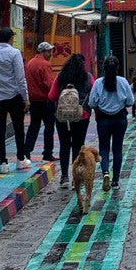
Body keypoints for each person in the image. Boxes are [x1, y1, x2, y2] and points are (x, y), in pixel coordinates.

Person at [0, 27, 30, 174]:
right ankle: (20, 159)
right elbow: (20, 78)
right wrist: (26, 98)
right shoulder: (15, 53)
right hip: (14, 96)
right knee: (18, 128)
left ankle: (3, 163)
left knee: (0, 130)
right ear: (11, 39)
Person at [88, 55, 133, 192]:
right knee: (117, 149)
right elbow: (130, 101)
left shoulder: (98, 83)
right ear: (117, 68)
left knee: (104, 148)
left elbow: (91, 103)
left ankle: (106, 172)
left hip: (103, 120)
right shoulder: (123, 82)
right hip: (120, 119)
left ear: (104, 68)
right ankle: (115, 180)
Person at [49, 52, 93, 185]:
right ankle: (76, 179)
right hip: (82, 116)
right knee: (78, 146)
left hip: (63, 117)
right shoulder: (88, 77)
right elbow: (94, 94)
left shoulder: (60, 76)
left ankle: (64, 177)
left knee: (64, 145)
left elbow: (52, 96)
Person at [24, 41, 56, 162]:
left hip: (34, 101)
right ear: (43, 51)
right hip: (46, 100)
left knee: (34, 126)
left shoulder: (30, 63)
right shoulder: (45, 64)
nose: (51, 54)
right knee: (49, 128)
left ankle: (27, 150)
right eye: (49, 51)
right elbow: (49, 84)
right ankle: (47, 153)